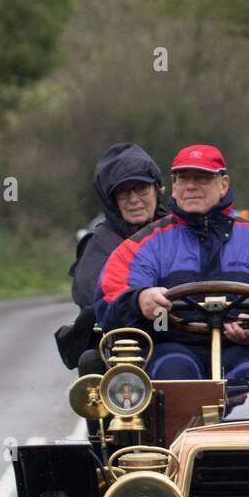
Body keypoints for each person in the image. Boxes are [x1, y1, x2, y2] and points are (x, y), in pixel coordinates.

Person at [95, 143, 249, 385]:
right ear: (174, 186)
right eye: (183, 178)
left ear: (223, 184)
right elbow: (109, 297)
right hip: (171, 348)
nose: (191, 186)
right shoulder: (145, 243)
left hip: (245, 350)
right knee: (174, 378)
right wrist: (139, 300)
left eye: (201, 178)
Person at [55, 143, 168, 369]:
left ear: (157, 189)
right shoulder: (98, 244)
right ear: (111, 200)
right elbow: (91, 300)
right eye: (124, 192)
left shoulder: (180, 230)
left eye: (141, 189)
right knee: (91, 365)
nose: (133, 199)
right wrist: (138, 302)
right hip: (123, 347)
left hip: (183, 336)